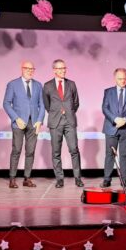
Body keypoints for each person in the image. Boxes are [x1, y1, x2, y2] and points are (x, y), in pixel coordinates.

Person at [2, 60, 45, 188]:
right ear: (22, 69)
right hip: (19, 123)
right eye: (27, 68)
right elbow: (6, 103)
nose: (30, 71)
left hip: (33, 123)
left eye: (32, 69)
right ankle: (12, 179)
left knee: (30, 151)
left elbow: (42, 105)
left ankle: (27, 178)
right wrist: (16, 118)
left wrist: (39, 121)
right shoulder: (13, 84)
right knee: (16, 150)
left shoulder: (38, 85)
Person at [42, 59, 84, 188]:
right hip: (55, 122)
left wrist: (68, 111)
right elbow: (47, 105)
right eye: (60, 68)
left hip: (69, 121)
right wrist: (57, 112)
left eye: (64, 68)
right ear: (54, 70)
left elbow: (76, 102)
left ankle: (77, 178)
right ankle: (59, 179)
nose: (63, 70)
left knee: (74, 150)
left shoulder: (71, 84)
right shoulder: (47, 85)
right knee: (56, 152)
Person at [100, 68, 126, 188]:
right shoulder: (108, 91)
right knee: (109, 154)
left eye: (124, 78)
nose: (123, 81)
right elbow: (105, 108)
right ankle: (107, 179)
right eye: (120, 79)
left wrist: (125, 120)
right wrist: (116, 119)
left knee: (124, 155)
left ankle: (124, 180)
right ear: (115, 79)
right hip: (111, 127)